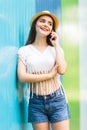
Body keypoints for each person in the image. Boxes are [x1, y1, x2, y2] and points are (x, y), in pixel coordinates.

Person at [17, 10, 70, 130]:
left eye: (50, 23)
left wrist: (56, 44)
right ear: (35, 24)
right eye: (42, 21)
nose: (46, 24)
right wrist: (49, 75)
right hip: (36, 103)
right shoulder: (24, 51)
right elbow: (22, 77)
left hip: (57, 100)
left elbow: (62, 70)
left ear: (52, 30)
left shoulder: (56, 50)